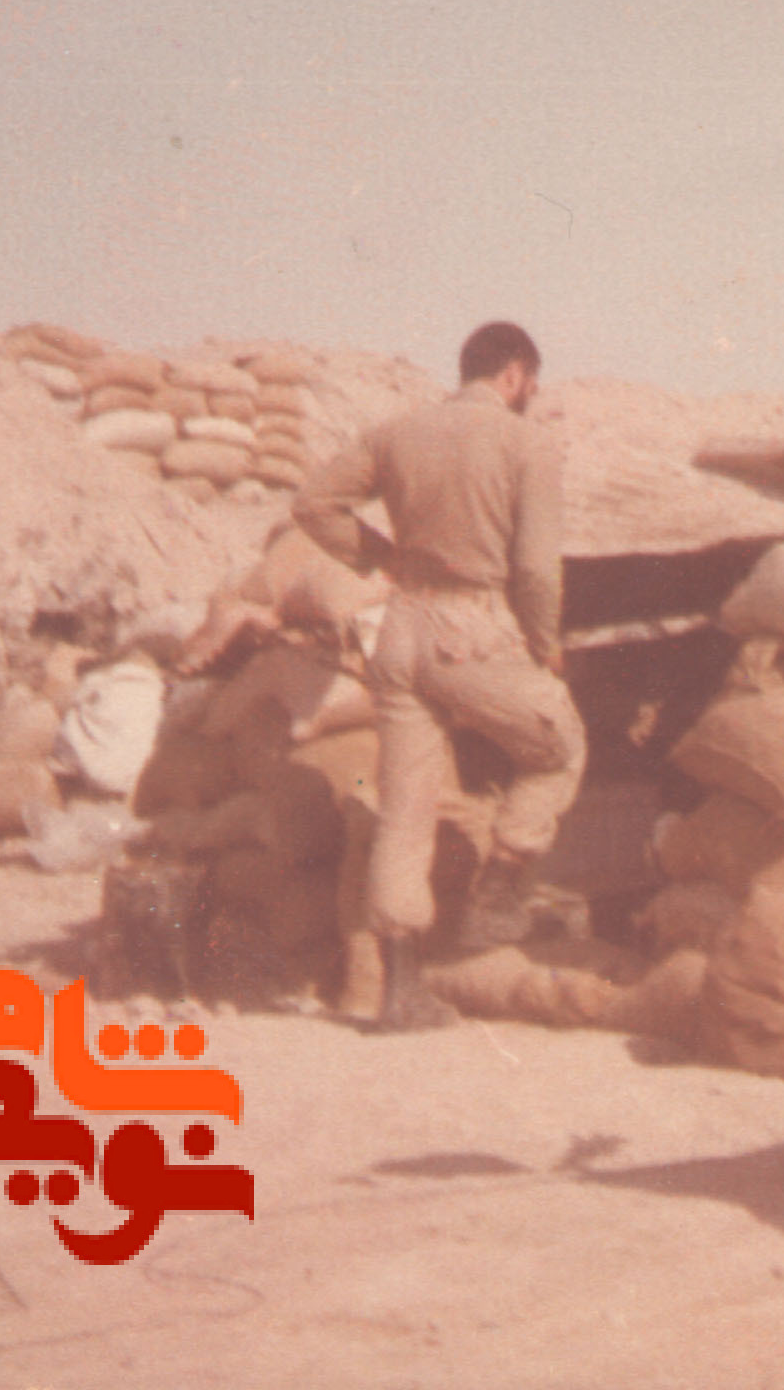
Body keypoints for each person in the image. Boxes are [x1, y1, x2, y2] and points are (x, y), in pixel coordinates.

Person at [296, 320, 587, 1033]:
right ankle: (503, 881)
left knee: (405, 809)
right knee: (560, 746)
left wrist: (382, 556)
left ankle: (400, 993)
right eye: (531, 383)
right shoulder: (528, 443)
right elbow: (535, 569)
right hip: (472, 627)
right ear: (515, 375)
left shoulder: (395, 433)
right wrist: (544, 643)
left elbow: (312, 505)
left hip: (400, 631)